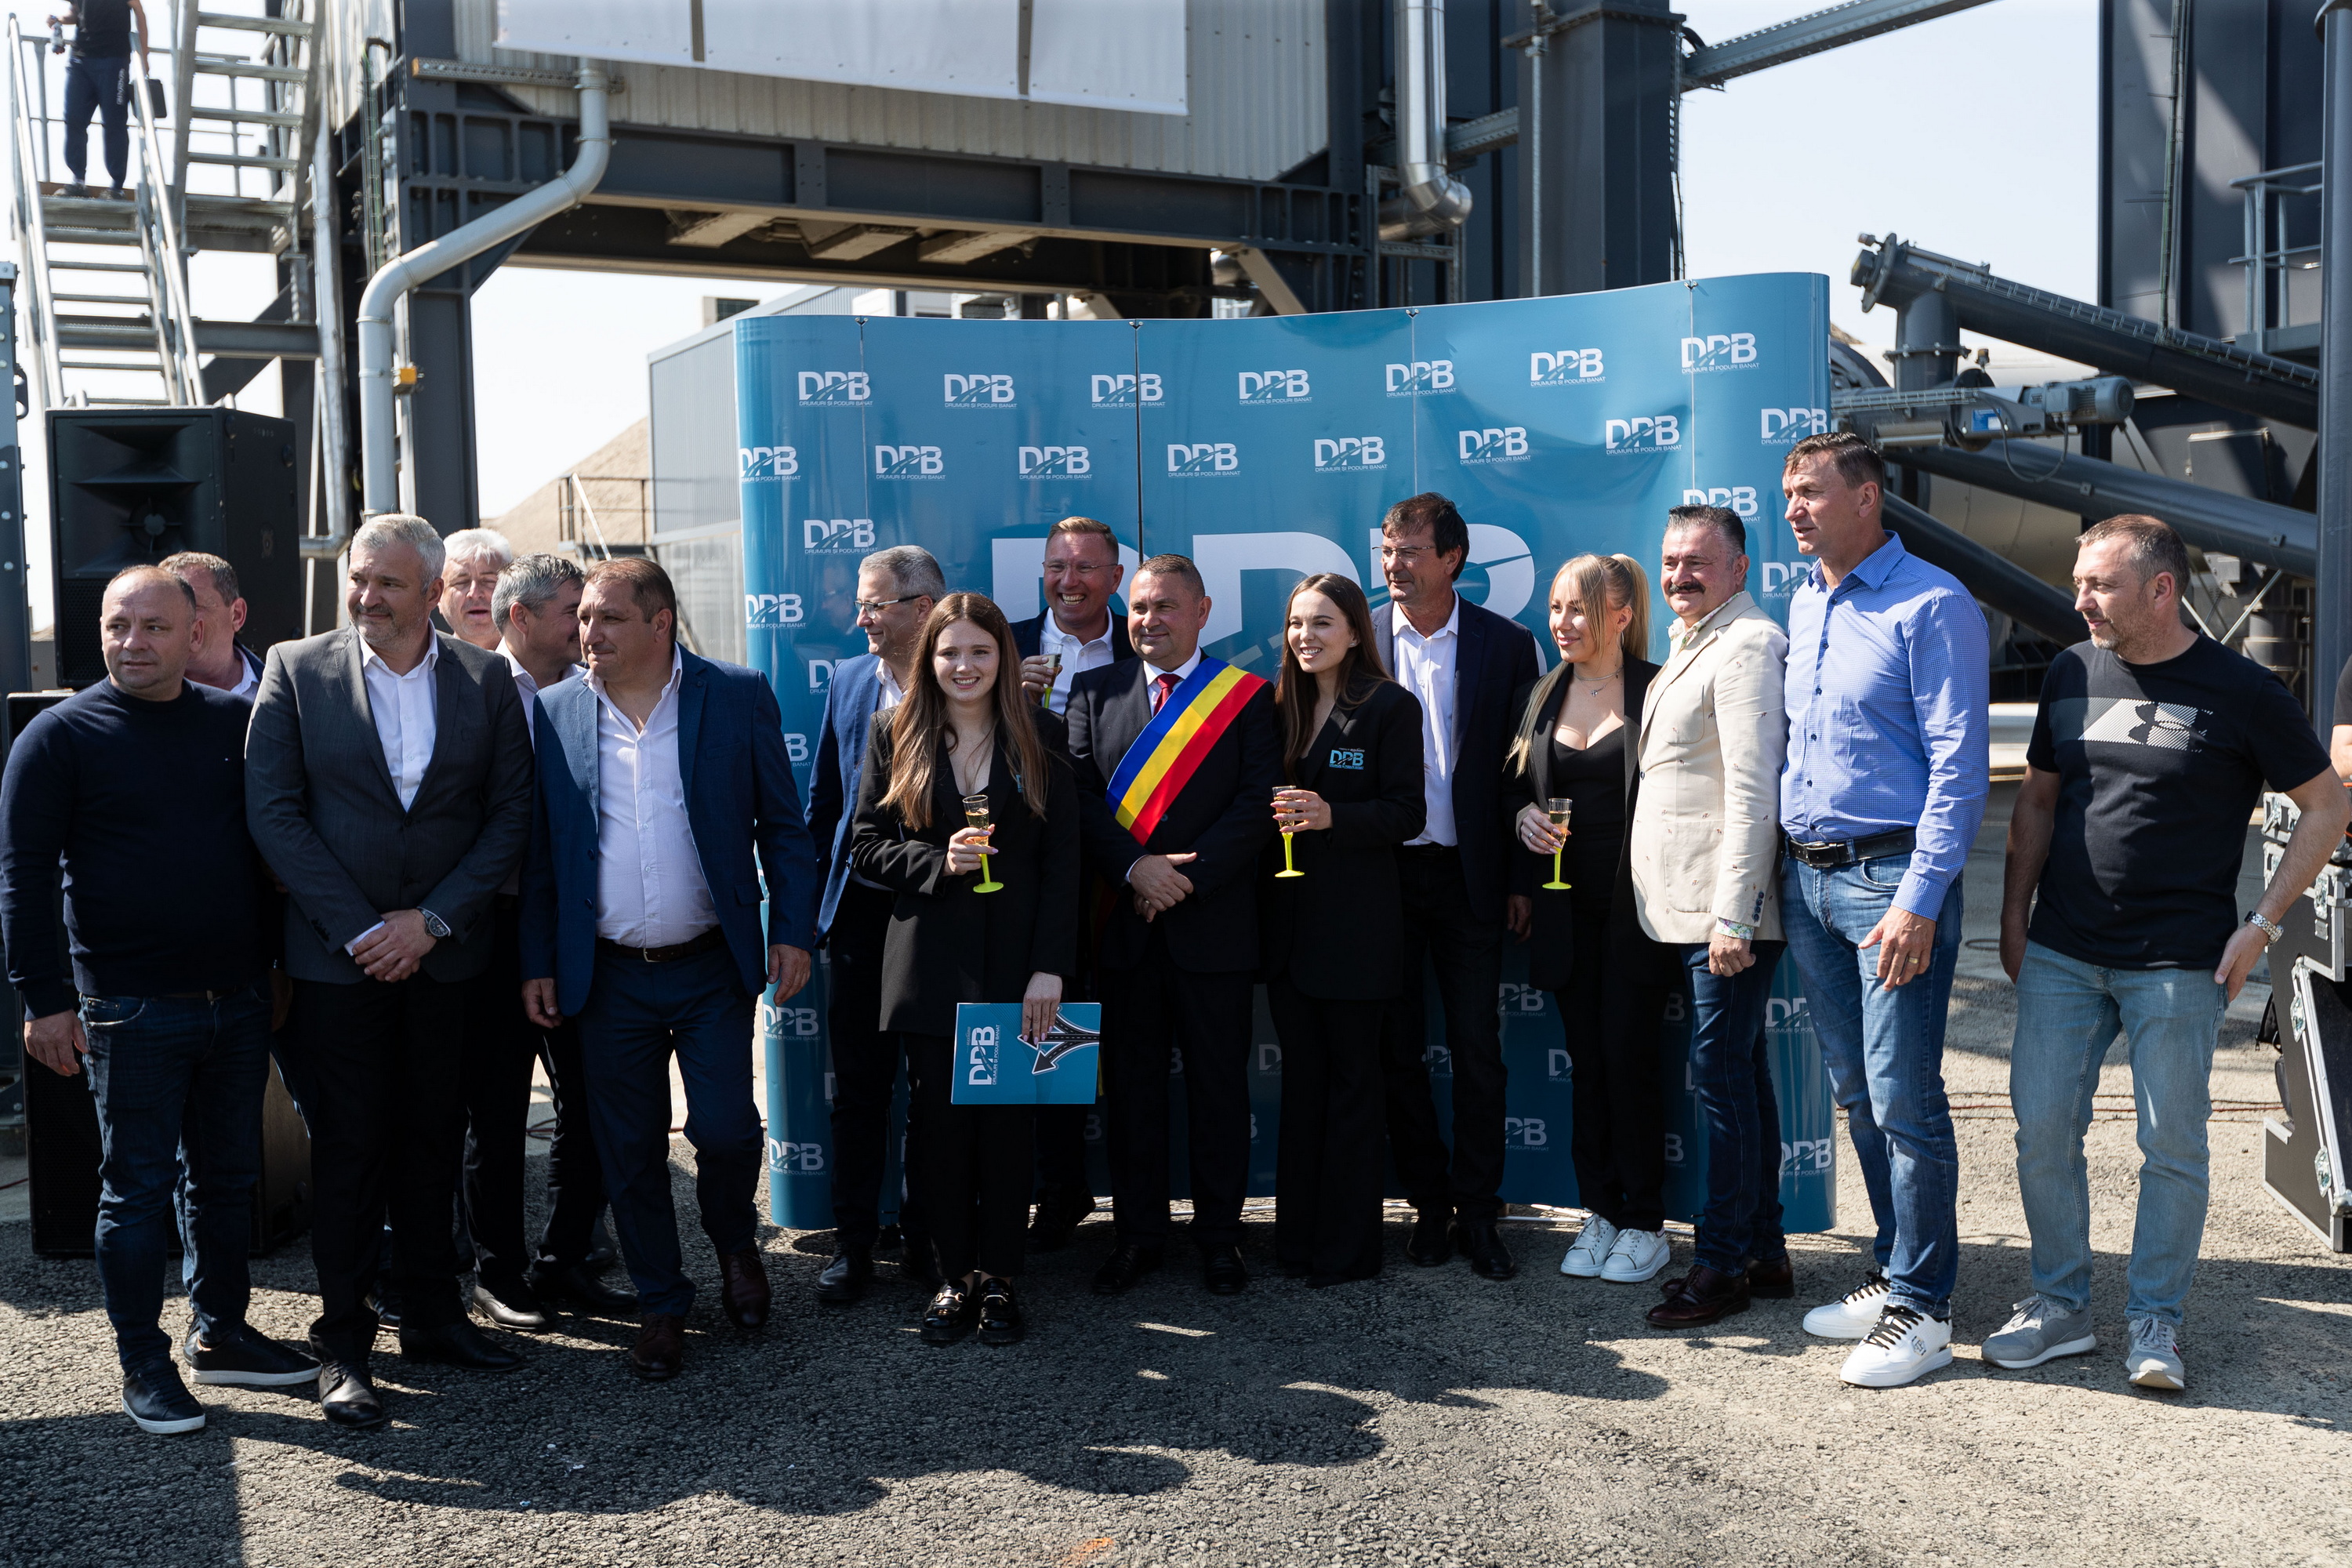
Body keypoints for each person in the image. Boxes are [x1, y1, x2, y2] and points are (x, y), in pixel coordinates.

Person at [1991, 515, 2347, 1391]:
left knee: (2173, 1146)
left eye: (2099, 585)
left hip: (2180, 962)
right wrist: (2013, 914)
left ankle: (2157, 1322)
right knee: (2043, 1132)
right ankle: (2060, 1305)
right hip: (2063, 950)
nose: (2081, 600)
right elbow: (2037, 800)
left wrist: (2261, 922)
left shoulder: (2244, 691)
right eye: (2078, 582)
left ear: (2161, 589)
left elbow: (2328, 806)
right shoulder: (2071, 671)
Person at [0, 567, 311, 1436]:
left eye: (153, 627)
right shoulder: (58, 736)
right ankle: (144, 1362)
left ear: (195, 634)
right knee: (135, 1190)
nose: (132, 642)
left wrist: (272, 967)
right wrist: (44, 1000)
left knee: (227, 1179)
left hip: (237, 999)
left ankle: (221, 1332)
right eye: (117, 625)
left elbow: (264, 857)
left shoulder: (233, 724)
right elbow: (22, 879)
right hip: (128, 1007)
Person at [245, 514, 535, 1428]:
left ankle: (434, 1317)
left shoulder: (486, 678)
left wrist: (433, 922)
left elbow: (509, 813)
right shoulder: (296, 668)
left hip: (446, 961)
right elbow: (274, 812)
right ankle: (343, 1344)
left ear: (432, 590)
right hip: (339, 967)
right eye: (358, 578)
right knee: (348, 1151)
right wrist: (364, 928)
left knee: (432, 1139)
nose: (367, 596)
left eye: (388, 583)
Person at [521, 557, 819, 1382]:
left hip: (709, 965)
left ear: (661, 623)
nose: (589, 633)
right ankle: (662, 1301)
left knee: (724, 1129)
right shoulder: (555, 710)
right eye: (583, 617)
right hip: (606, 975)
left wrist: (793, 931)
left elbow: (783, 827)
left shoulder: (735, 695)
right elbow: (543, 853)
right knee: (629, 1148)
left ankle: (735, 1243)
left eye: (609, 618)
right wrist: (538, 960)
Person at [1777, 432, 1989, 1388]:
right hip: (1811, 880)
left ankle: (1924, 1307)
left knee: (1905, 1095)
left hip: (1890, 883)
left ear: (1866, 497)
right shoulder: (1806, 600)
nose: (1794, 507)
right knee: (1858, 1093)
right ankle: (1896, 1262)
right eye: (1788, 491)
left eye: (1811, 491)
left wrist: (1920, 896)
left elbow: (1960, 767)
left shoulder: (1932, 603)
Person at [851, 593, 1078, 1344]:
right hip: (931, 966)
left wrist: (1050, 969)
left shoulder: (1042, 734)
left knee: (1008, 1127)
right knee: (940, 1128)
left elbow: (1064, 865)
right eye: (950, 652)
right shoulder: (894, 731)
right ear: (930, 658)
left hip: (1019, 969)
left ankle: (1001, 1278)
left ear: (1003, 659)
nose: (965, 665)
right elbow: (864, 847)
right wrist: (935, 862)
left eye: (981, 651)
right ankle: (953, 1278)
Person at [1064, 554, 1279, 1297]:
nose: (1148, 620)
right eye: (1139, 607)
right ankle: (1138, 1237)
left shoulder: (1247, 697)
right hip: (1124, 928)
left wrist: (1181, 879)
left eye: (1165, 607)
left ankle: (1220, 1237)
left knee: (1219, 1092)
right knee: (1132, 1094)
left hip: (1212, 928)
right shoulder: (1093, 692)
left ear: (1202, 611)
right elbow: (1079, 802)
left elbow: (1255, 805)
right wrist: (1137, 870)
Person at [455, 552, 635, 1327]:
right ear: (521, 616)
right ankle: (497, 1272)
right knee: (495, 1112)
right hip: (490, 932)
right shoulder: (463, 688)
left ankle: (565, 1257)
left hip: (574, 927)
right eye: (572, 611)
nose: (585, 626)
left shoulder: (594, 693)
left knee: (589, 1104)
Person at [1628, 507, 1795, 1329]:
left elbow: (1754, 790)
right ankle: (1761, 1250)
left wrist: (1736, 915)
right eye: (1670, 561)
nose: (1679, 575)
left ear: (1739, 568)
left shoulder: (1749, 644)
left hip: (1721, 916)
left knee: (1722, 1086)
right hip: (1686, 908)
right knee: (1740, 1078)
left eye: (1697, 561)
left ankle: (1722, 1263)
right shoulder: (1699, 640)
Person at [1370, 493, 1541, 1280]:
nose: (1394, 565)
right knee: (1397, 1051)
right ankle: (1428, 1206)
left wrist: (1520, 878)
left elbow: (1523, 775)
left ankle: (1479, 1211)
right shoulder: (1362, 637)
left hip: (1471, 879)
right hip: (1384, 878)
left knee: (1478, 1051)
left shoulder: (1506, 645)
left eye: (1409, 551)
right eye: (1388, 550)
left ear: (1452, 559)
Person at [1506, 554, 1675, 1286]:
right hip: (1563, 911)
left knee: (1630, 1060)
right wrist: (1521, 821)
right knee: (1588, 1065)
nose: (1562, 623)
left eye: (1578, 609)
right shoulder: (1541, 693)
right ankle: (1600, 1210)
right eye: (1555, 608)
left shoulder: (1658, 688)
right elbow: (1511, 788)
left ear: (1622, 615)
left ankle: (1646, 1222)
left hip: (1638, 911)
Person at [1261, 574, 1423, 1287]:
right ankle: (1296, 1241)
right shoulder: (1277, 707)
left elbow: (1408, 813)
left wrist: (1334, 817)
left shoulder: (1390, 706)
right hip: (1288, 934)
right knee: (1304, 1086)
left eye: (1323, 623)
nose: (1306, 636)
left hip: (1359, 931)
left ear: (1357, 632)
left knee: (1355, 1087)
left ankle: (1349, 1251)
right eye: (1297, 624)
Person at [806, 544, 944, 1304]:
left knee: (934, 1089)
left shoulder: (965, 676)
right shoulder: (849, 679)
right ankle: (853, 1244)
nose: (860, 618)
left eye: (875, 604)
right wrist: (802, 917)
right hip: (861, 914)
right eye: (860, 604)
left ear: (921, 608)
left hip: (936, 913)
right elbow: (824, 807)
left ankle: (928, 1240)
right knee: (859, 1091)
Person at [1011, 515, 1132, 1247]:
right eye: (1057, 566)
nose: (1069, 580)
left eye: (1086, 567)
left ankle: (1122, 1202)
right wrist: (1014, 704)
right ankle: (1054, 1187)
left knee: (1116, 1031)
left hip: (1117, 870)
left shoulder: (1144, 644)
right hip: (1023, 875)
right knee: (1040, 1025)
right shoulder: (1002, 647)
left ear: (1115, 578)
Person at [52, 1, 148, 198]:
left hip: (114, 60)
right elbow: (76, 12)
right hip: (80, 59)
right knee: (73, 119)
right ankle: (78, 181)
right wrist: (58, 20)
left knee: (114, 123)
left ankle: (116, 187)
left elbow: (139, 11)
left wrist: (144, 56)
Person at [159, 551, 263, 699]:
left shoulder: (284, 691)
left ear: (237, 615)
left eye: (191, 606)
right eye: (163, 610)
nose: (172, 619)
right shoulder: (135, 696)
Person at [438, 528, 514, 652]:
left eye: (488, 581)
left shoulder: (541, 661)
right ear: (438, 596)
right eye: (461, 582)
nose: (474, 593)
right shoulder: (425, 664)